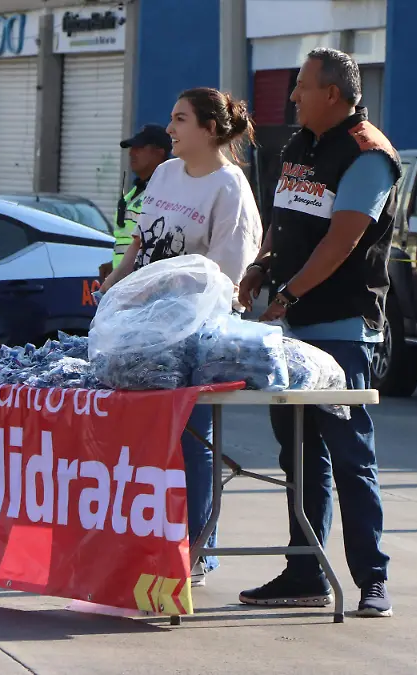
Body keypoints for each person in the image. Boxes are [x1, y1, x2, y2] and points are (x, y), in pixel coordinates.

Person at [237, 47, 398, 618]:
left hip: (337, 326)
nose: (292, 95)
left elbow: (342, 240)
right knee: (298, 454)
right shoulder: (300, 144)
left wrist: (288, 295)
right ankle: (305, 571)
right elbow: (282, 221)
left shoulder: (367, 155)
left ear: (333, 94)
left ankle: (371, 579)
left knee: (349, 454)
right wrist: (261, 266)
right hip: (289, 324)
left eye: (302, 86)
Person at [99, 87, 264, 586]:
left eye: (180, 120)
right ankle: (145, 540)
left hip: (198, 330)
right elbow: (142, 244)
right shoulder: (166, 174)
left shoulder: (229, 187)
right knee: (140, 437)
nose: (169, 129)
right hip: (145, 326)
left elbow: (227, 278)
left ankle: (197, 549)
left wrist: (176, 299)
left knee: (193, 438)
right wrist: (116, 284)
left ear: (210, 130)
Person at [98, 124, 171, 281]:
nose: (132, 153)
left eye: (139, 147)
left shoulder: (166, 193)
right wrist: (115, 264)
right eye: (132, 148)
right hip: (122, 282)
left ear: (159, 152)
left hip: (141, 284)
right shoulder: (135, 192)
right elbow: (128, 241)